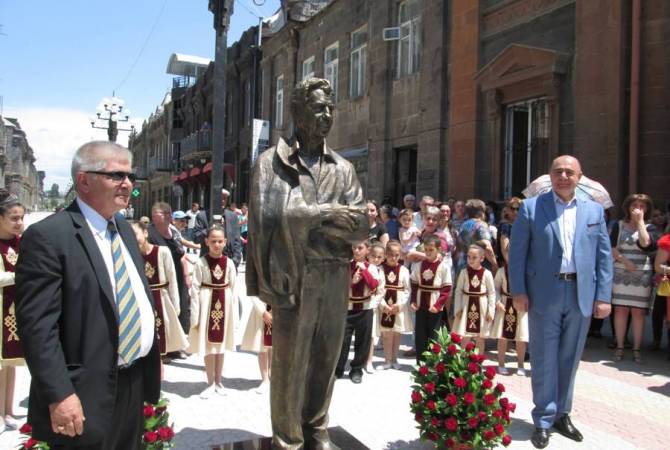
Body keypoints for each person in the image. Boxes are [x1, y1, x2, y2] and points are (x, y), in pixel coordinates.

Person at [246, 78, 368, 449]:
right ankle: (288, 438)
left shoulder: (343, 168)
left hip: (335, 274)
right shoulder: (272, 164)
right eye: (318, 108)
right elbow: (265, 217)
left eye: (331, 108)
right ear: (298, 112)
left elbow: (361, 224)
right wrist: (328, 214)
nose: (327, 115)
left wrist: (307, 218)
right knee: (290, 363)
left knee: (327, 358)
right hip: (294, 276)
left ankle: (316, 428)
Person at [15, 141, 160, 449]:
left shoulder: (123, 231)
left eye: (130, 175)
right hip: (83, 392)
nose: (128, 184)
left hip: (132, 383)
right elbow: (38, 329)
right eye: (116, 175)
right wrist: (59, 394)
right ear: (83, 180)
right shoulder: (49, 237)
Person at [510, 155, 613, 449]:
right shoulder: (531, 208)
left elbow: (604, 258)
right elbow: (517, 254)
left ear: (579, 177)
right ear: (550, 176)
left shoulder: (594, 211)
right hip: (544, 294)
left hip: (580, 293)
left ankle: (562, 414)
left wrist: (603, 296)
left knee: (570, 358)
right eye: (558, 171)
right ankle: (543, 418)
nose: (564, 176)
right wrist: (518, 290)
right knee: (543, 358)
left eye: (570, 172)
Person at [188, 224, 238, 399]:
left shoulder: (229, 263)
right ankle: (209, 382)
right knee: (208, 346)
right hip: (207, 304)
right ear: (207, 242)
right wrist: (196, 315)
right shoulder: (201, 263)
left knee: (221, 346)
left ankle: (219, 380)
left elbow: (234, 287)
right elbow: (194, 289)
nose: (217, 244)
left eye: (220, 241)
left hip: (224, 303)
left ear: (225, 242)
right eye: (213, 241)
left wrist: (234, 316)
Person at [131, 222, 188, 361]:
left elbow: (172, 278)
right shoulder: (132, 254)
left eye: (136, 234)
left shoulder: (162, 251)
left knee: (166, 325)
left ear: (145, 233)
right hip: (144, 296)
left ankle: (167, 352)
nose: (133, 238)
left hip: (161, 295)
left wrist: (175, 303)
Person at [610, 194, 654, 363]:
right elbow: (611, 248)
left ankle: (636, 349)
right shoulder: (619, 225)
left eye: (642, 206)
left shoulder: (649, 227)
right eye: (635, 205)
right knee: (620, 310)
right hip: (621, 272)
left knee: (638, 312)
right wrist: (624, 261)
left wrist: (641, 222)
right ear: (628, 207)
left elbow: (646, 244)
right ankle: (620, 346)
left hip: (641, 275)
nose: (638, 209)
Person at [335, 241, 380, 383]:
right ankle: (338, 369)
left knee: (363, 340)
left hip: (365, 308)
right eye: (354, 247)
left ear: (367, 250)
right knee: (343, 340)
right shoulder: (347, 266)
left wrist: (364, 271)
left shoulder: (372, 267)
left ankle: (357, 369)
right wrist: (352, 281)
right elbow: (339, 286)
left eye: (360, 248)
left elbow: (374, 285)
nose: (356, 251)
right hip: (348, 307)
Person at [148, 203, 190, 350]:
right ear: (154, 216)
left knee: (181, 308)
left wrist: (187, 276)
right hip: (160, 281)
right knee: (165, 312)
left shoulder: (174, 232)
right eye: (164, 213)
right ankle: (164, 347)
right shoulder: (149, 234)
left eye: (169, 212)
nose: (168, 215)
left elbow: (182, 255)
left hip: (177, 277)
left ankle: (177, 345)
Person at [0, 190, 25, 433]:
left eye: (21, 218)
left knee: (10, 363)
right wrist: (20, 276)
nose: (19, 223)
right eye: (13, 218)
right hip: (0, 306)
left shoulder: (22, 242)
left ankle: (7, 409)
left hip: (15, 307)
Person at [409, 234, 452, 364]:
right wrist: (413, 301)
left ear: (438, 250)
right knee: (420, 335)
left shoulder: (443, 267)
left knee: (434, 335)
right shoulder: (418, 266)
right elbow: (414, 285)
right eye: (426, 249)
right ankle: (420, 363)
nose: (428, 252)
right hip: (421, 306)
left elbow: (446, 289)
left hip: (435, 307)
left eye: (431, 250)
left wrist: (438, 305)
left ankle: (433, 364)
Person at [453, 245, 496, 354]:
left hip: (481, 307)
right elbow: (458, 291)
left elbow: (491, 293)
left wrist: (491, 311)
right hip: (466, 306)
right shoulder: (464, 272)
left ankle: (478, 362)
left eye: (474, 257)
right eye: (469, 257)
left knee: (480, 338)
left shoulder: (487, 273)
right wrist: (457, 308)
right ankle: (462, 362)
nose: (470, 260)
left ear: (482, 258)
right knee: (465, 336)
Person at [379, 240, 412, 369]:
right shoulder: (380, 269)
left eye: (396, 255)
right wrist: (383, 305)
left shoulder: (403, 270)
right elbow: (378, 289)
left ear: (400, 255)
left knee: (397, 333)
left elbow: (407, 289)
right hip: (385, 305)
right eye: (391, 254)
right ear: (386, 254)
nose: (393, 258)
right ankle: (387, 360)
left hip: (398, 306)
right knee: (387, 334)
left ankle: (394, 359)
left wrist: (400, 304)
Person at [241, 295, 272, 394]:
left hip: (279, 308)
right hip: (261, 311)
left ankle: (273, 377)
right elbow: (253, 292)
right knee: (262, 345)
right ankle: (265, 380)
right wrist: (262, 311)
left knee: (276, 346)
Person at [365, 242, 386, 373]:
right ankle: (359, 359)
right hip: (361, 303)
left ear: (383, 258)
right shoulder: (364, 267)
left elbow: (381, 290)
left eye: (379, 257)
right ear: (368, 255)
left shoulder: (380, 271)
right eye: (373, 256)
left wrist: (375, 303)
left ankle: (369, 361)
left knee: (372, 335)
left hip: (372, 305)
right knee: (362, 335)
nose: (376, 259)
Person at [653, 232, 670, 358]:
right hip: (668, 286)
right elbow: (658, 266)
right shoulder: (667, 241)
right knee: (660, 313)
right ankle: (657, 340)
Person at [220, 189, 243, 267]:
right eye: (221, 198)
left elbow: (237, 240)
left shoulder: (233, 216)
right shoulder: (203, 216)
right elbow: (196, 238)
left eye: (225, 198)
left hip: (229, 261)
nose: (223, 201)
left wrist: (236, 260)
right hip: (209, 263)